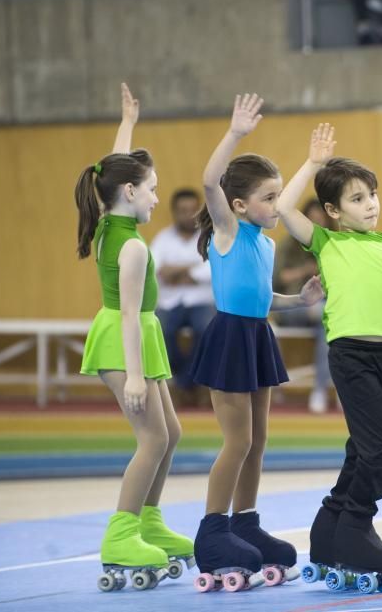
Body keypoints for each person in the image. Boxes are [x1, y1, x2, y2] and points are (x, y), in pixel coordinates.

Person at [189, 93, 324, 587]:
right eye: (269, 198)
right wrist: (236, 134)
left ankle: (245, 523)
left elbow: (261, 298)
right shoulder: (228, 229)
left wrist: (299, 300)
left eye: (279, 195)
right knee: (238, 440)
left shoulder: (266, 244)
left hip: (257, 336)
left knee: (259, 441)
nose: (277, 204)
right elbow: (209, 180)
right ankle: (212, 531)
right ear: (240, 204)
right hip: (229, 338)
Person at [278, 123, 382, 586]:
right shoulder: (326, 242)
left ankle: (328, 528)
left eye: (373, 194)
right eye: (358, 199)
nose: (371, 204)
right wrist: (315, 163)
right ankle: (357, 524)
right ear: (334, 212)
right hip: (350, 355)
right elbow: (283, 207)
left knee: (363, 449)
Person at [75, 83, 194, 590]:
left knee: (173, 434)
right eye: (151, 188)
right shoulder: (135, 249)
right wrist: (137, 379)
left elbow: (114, 168)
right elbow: (127, 315)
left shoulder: (109, 221)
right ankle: (122, 533)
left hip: (138, 333)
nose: (155, 196)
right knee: (152, 437)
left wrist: (127, 123)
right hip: (124, 338)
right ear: (129, 193)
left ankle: (148, 522)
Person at [150, 188, 216, 405]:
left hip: (202, 302)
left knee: (207, 331)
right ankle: (187, 381)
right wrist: (193, 267)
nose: (188, 214)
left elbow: (212, 271)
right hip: (169, 302)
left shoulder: (211, 237)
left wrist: (178, 271)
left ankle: (183, 384)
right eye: (182, 210)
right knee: (161, 330)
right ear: (174, 212)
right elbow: (157, 270)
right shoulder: (163, 238)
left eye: (192, 210)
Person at [273, 198, 334, 414]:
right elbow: (277, 279)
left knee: (328, 329)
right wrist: (306, 270)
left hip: (326, 309)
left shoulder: (333, 244)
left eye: (321, 221)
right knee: (329, 317)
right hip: (292, 305)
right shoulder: (288, 245)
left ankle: (320, 389)